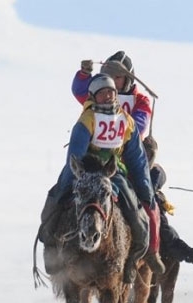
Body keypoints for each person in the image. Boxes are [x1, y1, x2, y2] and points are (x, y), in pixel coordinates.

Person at [39, 74, 165, 283]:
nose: (108, 96)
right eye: (103, 93)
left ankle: (137, 256)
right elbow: (76, 154)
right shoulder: (87, 120)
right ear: (94, 96)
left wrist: (145, 189)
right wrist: (73, 178)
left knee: (136, 209)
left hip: (113, 173)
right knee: (58, 194)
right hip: (85, 171)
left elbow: (136, 157)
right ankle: (50, 244)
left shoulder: (126, 121)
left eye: (111, 92)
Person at [143, 136, 193, 279]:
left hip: (149, 204)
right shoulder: (127, 166)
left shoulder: (156, 171)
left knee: (167, 235)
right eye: (142, 153)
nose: (145, 157)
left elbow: (152, 185)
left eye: (149, 154)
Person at [72, 50, 152, 139]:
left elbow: (138, 126)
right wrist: (84, 74)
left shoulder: (140, 101)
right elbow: (79, 91)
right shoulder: (98, 94)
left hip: (126, 148)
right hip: (95, 147)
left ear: (127, 80)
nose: (112, 81)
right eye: (108, 76)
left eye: (117, 77)